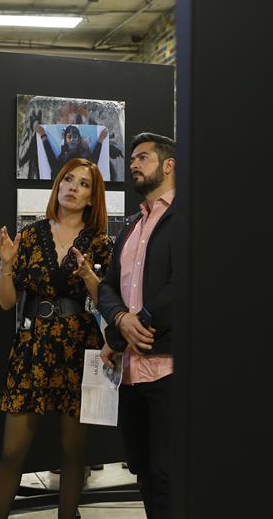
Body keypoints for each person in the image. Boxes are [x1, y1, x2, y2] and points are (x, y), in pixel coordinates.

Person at [0, 158, 112, 519]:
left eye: (83, 184)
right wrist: (7, 264)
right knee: (13, 451)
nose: (73, 187)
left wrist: (89, 273)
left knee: (74, 451)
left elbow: (104, 300)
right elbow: (6, 302)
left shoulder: (100, 243)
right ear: (57, 187)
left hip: (81, 348)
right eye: (67, 180)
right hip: (33, 346)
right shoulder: (29, 236)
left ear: (92, 198)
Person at [99, 132, 176, 519]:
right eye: (131, 159)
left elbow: (185, 284)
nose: (133, 165)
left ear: (168, 165)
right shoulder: (131, 226)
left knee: (169, 474)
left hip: (168, 369)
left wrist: (140, 323)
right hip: (130, 372)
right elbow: (108, 286)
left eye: (142, 158)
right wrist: (120, 320)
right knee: (142, 470)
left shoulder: (187, 218)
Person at [36, 124, 109, 179]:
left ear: (78, 139)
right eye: (69, 137)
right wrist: (43, 136)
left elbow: (94, 161)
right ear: (65, 139)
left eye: (74, 137)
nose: (72, 139)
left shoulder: (84, 154)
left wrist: (100, 140)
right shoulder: (63, 156)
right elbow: (52, 161)